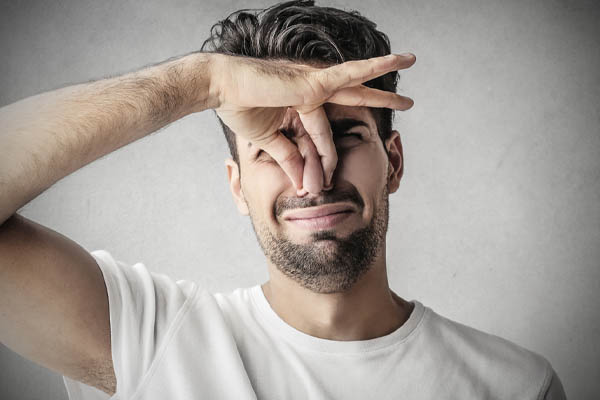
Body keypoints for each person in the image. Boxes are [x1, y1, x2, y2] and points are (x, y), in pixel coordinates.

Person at [0, 1, 566, 399]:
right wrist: (206, 84)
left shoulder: (514, 385)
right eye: (273, 149)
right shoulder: (150, 341)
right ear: (236, 185)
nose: (312, 176)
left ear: (393, 161)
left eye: (344, 136)